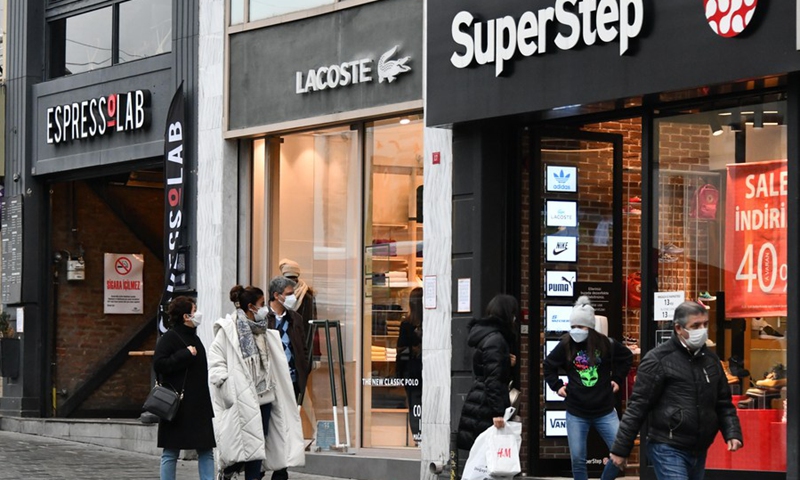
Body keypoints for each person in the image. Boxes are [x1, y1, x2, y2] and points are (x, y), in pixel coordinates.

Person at [605, 301, 743, 480]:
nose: (702, 330)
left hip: (699, 447)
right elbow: (638, 406)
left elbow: (723, 402)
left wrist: (732, 432)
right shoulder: (658, 360)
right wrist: (621, 449)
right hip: (667, 445)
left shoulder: (711, 361)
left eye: (705, 325)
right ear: (678, 328)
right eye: (695, 326)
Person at [208, 285, 304, 480]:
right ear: (251, 307)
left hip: (265, 396)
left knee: (259, 443)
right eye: (261, 304)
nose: (265, 308)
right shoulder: (228, 331)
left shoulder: (264, 331)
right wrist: (225, 383)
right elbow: (216, 360)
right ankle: (229, 470)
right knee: (243, 444)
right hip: (241, 397)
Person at [543, 296, 633, 480]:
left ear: (590, 327)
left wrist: (617, 379)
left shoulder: (605, 343)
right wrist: (557, 386)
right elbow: (548, 365)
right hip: (576, 411)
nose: (577, 330)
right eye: (574, 326)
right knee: (578, 459)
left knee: (620, 451)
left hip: (605, 410)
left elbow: (626, 357)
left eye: (581, 326)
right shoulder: (566, 344)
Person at [153, 296, 215, 480]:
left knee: (206, 450)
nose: (198, 314)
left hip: (199, 405)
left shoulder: (195, 337)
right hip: (177, 405)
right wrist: (185, 354)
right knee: (171, 451)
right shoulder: (170, 338)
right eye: (194, 310)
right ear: (186, 316)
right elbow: (160, 364)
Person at [456, 294, 518, 452]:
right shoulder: (496, 340)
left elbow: (488, 367)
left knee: (484, 455)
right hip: (486, 406)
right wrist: (498, 413)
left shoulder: (488, 337)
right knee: (489, 456)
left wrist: (505, 361)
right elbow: (493, 378)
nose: (515, 318)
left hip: (480, 400)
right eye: (513, 314)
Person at [266, 276, 310, 480]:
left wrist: (303, 370)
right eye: (289, 294)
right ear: (276, 295)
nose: (293, 298)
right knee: (267, 426)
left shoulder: (295, 318)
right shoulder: (264, 318)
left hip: (291, 381)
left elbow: (302, 347)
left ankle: (281, 470)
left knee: (286, 425)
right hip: (269, 383)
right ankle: (259, 467)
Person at [397, 287, 423, 443]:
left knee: (414, 405)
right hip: (424, 371)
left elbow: (400, 351)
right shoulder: (430, 323)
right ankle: (424, 436)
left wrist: (398, 374)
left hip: (411, 371)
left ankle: (418, 437)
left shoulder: (406, 324)